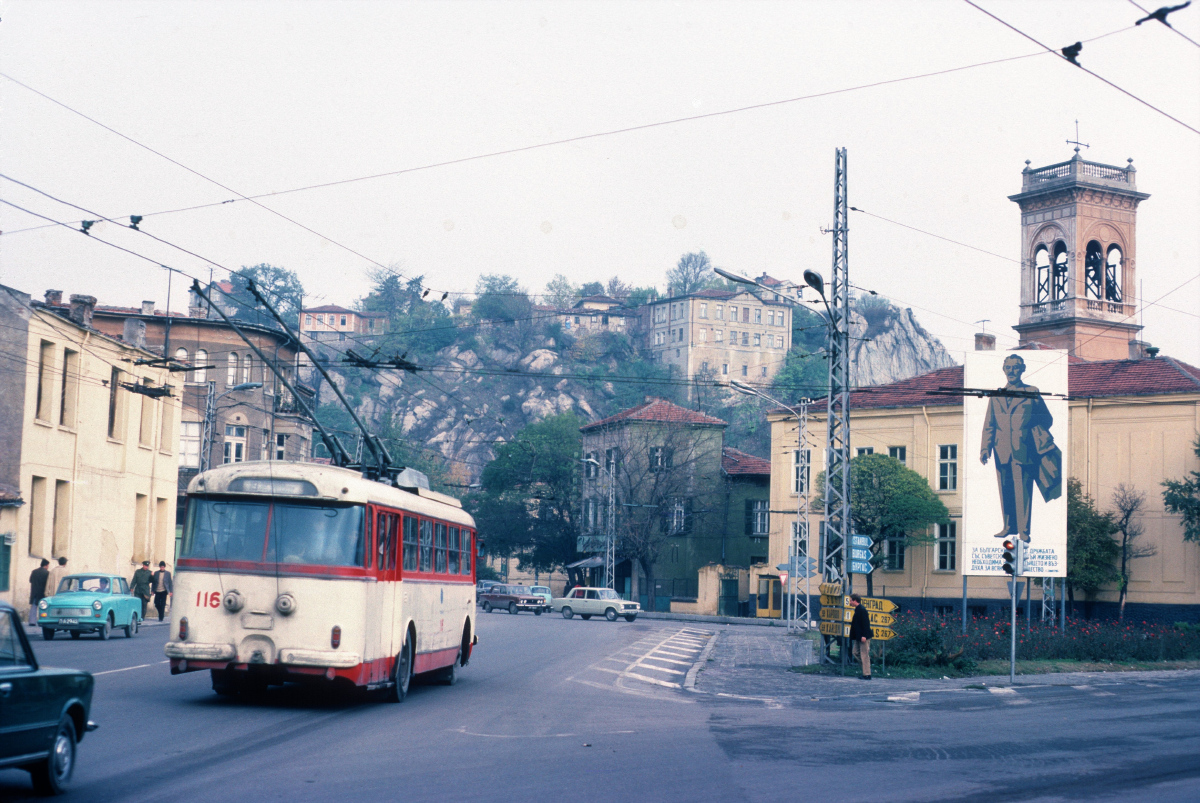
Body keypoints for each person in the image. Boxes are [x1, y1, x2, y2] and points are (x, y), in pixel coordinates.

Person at [980, 354, 1061, 543]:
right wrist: (985, 448)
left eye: (1015, 367)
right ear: (1003, 370)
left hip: (1024, 449)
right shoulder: (996, 395)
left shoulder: (1031, 392)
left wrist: (1029, 429)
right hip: (1001, 450)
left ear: (1023, 369)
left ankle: (1024, 531)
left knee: (1022, 491)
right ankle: (1008, 527)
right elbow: (989, 423)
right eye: (1008, 368)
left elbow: (1047, 419)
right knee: (1005, 489)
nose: (1011, 371)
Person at [848, 593, 872, 680]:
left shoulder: (862, 610)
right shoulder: (857, 609)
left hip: (863, 637)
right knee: (855, 652)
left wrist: (864, 636)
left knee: (864, 655)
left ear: (855, 601)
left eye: (850, 600)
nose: (850, 602)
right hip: (858, 636)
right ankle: (866, 668)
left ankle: (867, 674)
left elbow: (866, 624)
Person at [28, 559, 51, 626]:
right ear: (46, 565)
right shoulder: (47, 573)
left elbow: (30, 580)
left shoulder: (34, 571)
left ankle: (32, 622)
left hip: (34, 591)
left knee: (34, 607)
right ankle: (43, 620)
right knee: (44, 607)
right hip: (42, 592)